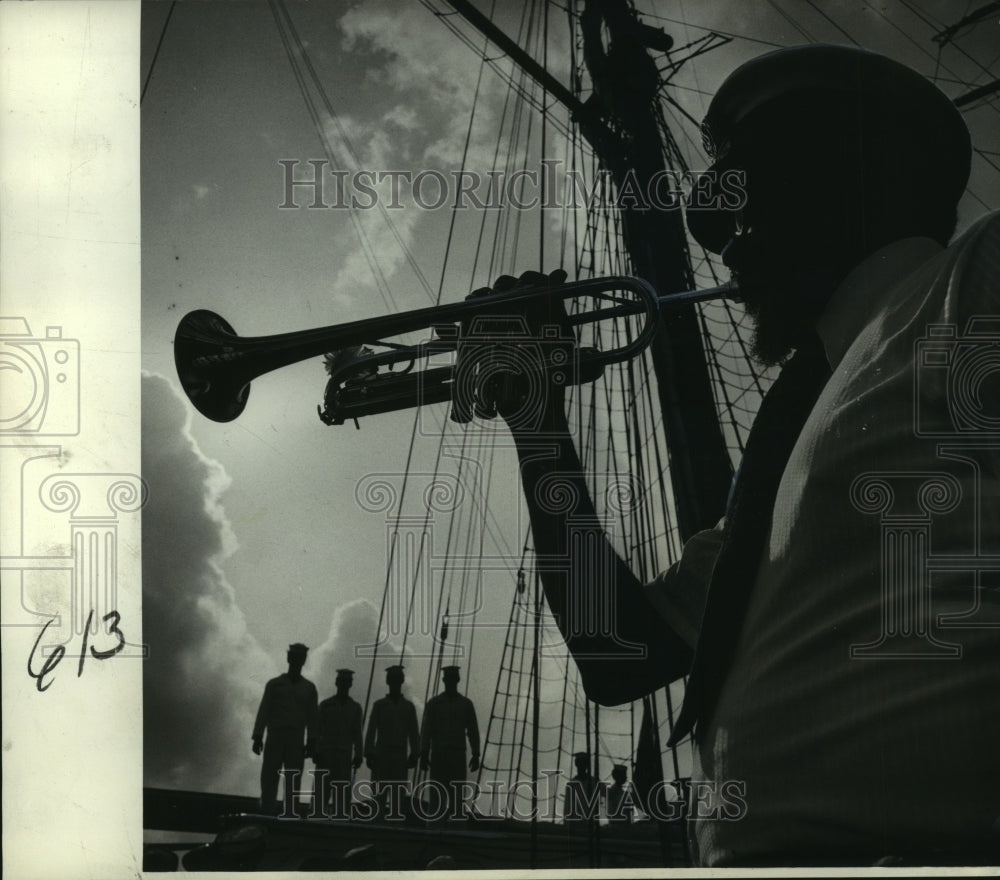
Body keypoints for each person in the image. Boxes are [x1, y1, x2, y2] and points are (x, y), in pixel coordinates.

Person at [462, 44, 1000, 866]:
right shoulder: (789, 452)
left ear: (853, 174)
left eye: (749, 198)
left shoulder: (975, 281)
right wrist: (539, 423)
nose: (721, 243)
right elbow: (620, 649)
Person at [252, 642, 319, 816]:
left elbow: (313, 717)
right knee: (269, 777)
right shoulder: (274, 684)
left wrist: (311, 741)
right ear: (289, 658)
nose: (297, 661)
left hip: (296, 738)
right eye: (294, 657)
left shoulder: (309, 688)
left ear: (303, 661)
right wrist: (258, 736)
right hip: (275, 734)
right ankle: (267, 812)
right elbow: (264, 709)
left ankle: (290, 813)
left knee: (293, 778)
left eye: (300, 658)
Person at [419, 665, 481, 818]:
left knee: (457, 800)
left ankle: (457, 831)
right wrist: (424, 753)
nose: (450, 682)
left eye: (453, 679)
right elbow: (427, 730)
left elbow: (473, 730)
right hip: (439, 755)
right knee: (436, 799)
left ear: (457, 680)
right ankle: (433, 832)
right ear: (444, 680)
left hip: (457, 755)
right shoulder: (434, 704)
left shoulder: (466, 704)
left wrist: (476, 753)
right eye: (448, 679)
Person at [364, 664, 420, 815]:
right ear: (388, 682)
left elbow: (414, 733)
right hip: (381, 756)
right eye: (392, 680)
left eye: (397, 679)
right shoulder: (379, 706)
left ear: (401, 681)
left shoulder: (408, 707)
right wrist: (369, 752)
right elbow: (371, 731)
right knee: (378, 800)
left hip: (400, 757)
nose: (394, 683)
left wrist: (415, 753)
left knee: (398, 801)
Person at [314, 668, 364, 819]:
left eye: (346, 682)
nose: (343, 685)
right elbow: (316, 730)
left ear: (350, 685)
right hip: (325, 755)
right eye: (341, 682)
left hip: (344, 756)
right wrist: (315, 750)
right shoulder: (325, 705)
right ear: (337, 683)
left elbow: (357, 733)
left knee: (342, 797)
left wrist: (359, 753)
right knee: (321, 794)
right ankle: (316, 821)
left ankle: (340, 821)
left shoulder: (355, 708)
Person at [563, 752, 600, 823]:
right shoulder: (571, 784)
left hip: (590, 821)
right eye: (580, 763)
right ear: (576, 764)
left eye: (583, 763)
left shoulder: (594, 782)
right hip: (575, 822)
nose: (581, 766)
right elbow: (567, 807)